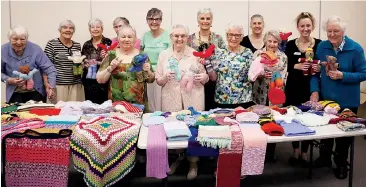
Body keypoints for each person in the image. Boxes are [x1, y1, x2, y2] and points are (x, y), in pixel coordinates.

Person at [310, 15, 366, 179]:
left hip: (348, 100)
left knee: (344, 136)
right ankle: (324, 158)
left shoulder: (355, 48)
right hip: (327, 100)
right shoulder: (322, 46)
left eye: (336, 31)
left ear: (343, 32)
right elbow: (315, 73)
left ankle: (341, 162)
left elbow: (363, 73)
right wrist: (314, 90)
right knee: (325, 133)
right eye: (329, 31)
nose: (332, 34)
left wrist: (343, 75)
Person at [156, 24, 208, 180]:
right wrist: (165, 77)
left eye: (183, 36)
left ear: (187, 37)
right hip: (171, 98)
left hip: (193, 97)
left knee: (193, 130)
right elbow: (158, 80)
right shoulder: (164, 55)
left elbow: (205, 76)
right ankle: (178, 159)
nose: (179, 39)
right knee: (174, 130)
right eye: (176, 36)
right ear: (171, 37)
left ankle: (193, 163)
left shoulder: (195, 53)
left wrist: (203, 77)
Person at [284, 12, 321, 167]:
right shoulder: (291, 45)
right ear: (298, 27)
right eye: (302, 26)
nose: (305, 29)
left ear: (312, 26)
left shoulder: (319, 44)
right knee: (292, 117)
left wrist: (319, 67)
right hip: (293, 87)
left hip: (310, 87)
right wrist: (296, 66)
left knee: (308, 119)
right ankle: (295, 150)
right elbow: (284, 64)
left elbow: (323, 65)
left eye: (308, 25)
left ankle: (305, 152)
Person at [251, 30, 288, 162]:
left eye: (275, 41)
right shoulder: (257, 54)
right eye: (270, 41)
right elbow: (252, 73)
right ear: (265, 41)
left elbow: (283, 77)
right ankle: (258, 151)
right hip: (259, 93)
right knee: (258, 121)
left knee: (273, 120)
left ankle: (270, 152)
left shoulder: (283, 57)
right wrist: (261, 74)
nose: (272, 44)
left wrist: (276, 77)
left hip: (275, 94)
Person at [96, 25, 155, 107]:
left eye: (130, 37)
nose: (126, 39)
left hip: (139, 105)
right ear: (118, 39)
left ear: (135, 39)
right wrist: (111, 68)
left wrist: (148, 71)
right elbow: (100, 80)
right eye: (123, 37)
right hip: (116, 106)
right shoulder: (111, 55)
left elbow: (151, 80)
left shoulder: (142, 55)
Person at [1, 25, 56, 103]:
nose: (18, 42)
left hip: (36, 92)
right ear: (9, 39)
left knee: (37, 114)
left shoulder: (35, 49)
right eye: (15, 39)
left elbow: (49, 68)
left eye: (22, 39)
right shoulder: (3, 50)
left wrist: (51, 86)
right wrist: (8, 80)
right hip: (14, 93)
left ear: (26, 39)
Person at [205, 23, 255, 109]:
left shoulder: (248, 52)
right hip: (222, 100)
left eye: (237, 35)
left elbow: (253, 75)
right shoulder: (219, 52)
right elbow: (213, 78)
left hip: (244, 100)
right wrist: (207, 63)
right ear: (226, 35)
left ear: (242, 37)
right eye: (230, 35)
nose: (233, 38)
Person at [187, 8, 226, 111]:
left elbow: (223, 58)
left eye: (208, 18)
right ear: (198, 20)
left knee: (213, 110)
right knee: (197, 109)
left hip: (215, 81)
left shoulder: (218, 38)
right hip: (195, 79)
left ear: (212, 20)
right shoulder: (189, 39)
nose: (205, 21)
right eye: (202, 18)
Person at [44, 19, 85, 103]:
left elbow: (78, 63)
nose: (68, 30)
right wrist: (46, 84)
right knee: (58, 112)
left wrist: (82, 65)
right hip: (58, 85)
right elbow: (45, 66)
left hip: (76, 85)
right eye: (65, 27)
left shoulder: (77, 45)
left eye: (71, 28)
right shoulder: (51, 44)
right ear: (60, 30)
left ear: (73, 31)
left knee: (76, 113)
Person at [141, 8, 171, 112]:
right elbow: (141, 52)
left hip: (162, 74)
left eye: (157, 19)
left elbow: (171, 55)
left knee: (160, 103)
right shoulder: (145, 35)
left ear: (161, 20)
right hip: (148, 73)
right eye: (151, 19)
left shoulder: (167, 35)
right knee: (150, 102)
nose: (154, 22)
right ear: (147, 20)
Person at [81, 18, 111, 104]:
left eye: (98, 27)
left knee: (104, 104)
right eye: (92, 27)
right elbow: (83, 60)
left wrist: (104, 58)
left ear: (102, 29)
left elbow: (112, 59)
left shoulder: (108, 42)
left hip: (104, 79)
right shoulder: (86, 44)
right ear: (89, 30)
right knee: (90, 105)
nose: (95, 29)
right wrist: (85, 64)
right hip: (89, 80)